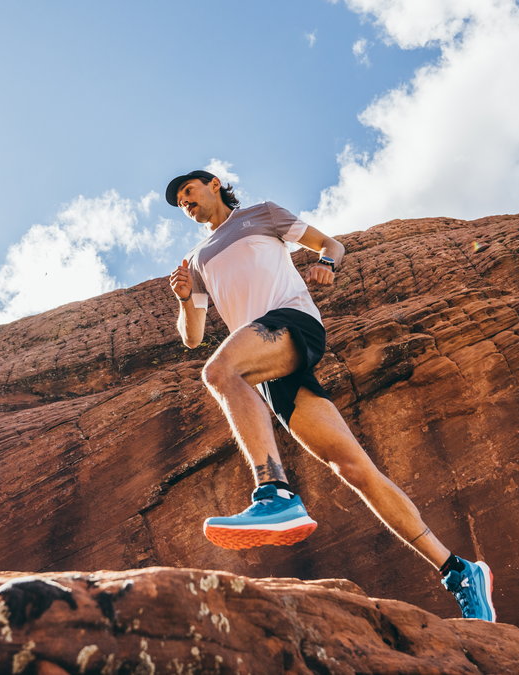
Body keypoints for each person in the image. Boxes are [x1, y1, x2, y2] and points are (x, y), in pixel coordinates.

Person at [165, 169, 497, 621]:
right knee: (353, 468)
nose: (185, 200)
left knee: (220, 372)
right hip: (264, 362)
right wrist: (185, 299)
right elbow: (192, 336)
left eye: (189, 190)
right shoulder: (197, 259)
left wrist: (327, 264)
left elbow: (331, 245)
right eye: (179, 199)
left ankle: (274, 494)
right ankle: (457, 570)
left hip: (291, 322)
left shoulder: (262, 214)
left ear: (215, 184)